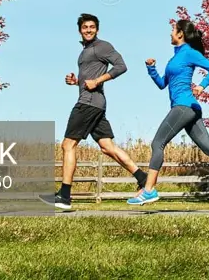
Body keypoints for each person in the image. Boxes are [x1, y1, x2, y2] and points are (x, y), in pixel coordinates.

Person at [127, 19, 209, 205]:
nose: (170, 32)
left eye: (173, 29)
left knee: (157, 143)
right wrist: (151, 69)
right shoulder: (175, 57)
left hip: (184, 106)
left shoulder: (189, 53)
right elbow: (163, 84)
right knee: (208, 147)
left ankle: (149, 190)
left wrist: (202, 86)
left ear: (180, 34)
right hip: (188, 109)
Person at [46, 13, 148, 210]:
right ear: (80, 30)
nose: (89, 30)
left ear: (97, 29)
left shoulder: (102, 46)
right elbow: (90, 77)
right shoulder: (85, 51)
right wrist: (76, 81)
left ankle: (64, 196)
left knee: (68, 145)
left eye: (92, 27)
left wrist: (97, 81)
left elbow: (121, 66)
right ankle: (142, 177)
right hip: (96, 103)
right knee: (107, 146)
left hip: (88, 103)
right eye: (85, 27)